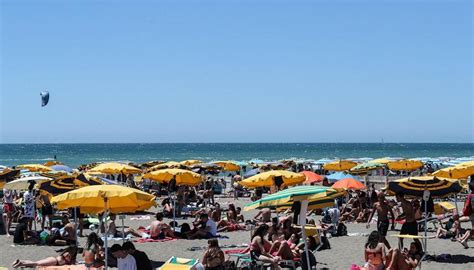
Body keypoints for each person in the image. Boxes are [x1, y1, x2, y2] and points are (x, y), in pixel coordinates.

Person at [12, 245, 77, 268]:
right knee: (36, 264)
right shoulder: (67, 254)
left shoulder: (70, 255)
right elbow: (68, 261)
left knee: (35, 263)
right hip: (54, 261)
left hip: (54, 261)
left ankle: (21, 261)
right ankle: (21, 264)